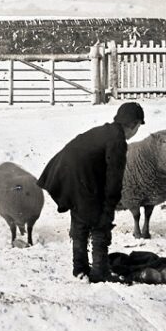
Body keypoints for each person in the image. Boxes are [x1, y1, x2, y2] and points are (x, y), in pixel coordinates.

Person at [38, 101, 145, 282]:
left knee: (80, 220)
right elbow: (114, 178)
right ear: (134, 125)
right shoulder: (117, 141)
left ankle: (79, 268)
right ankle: (99, 272)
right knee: (100, 222)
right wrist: (109, 206)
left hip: (65, 174)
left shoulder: (105, 131)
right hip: (79, 177)